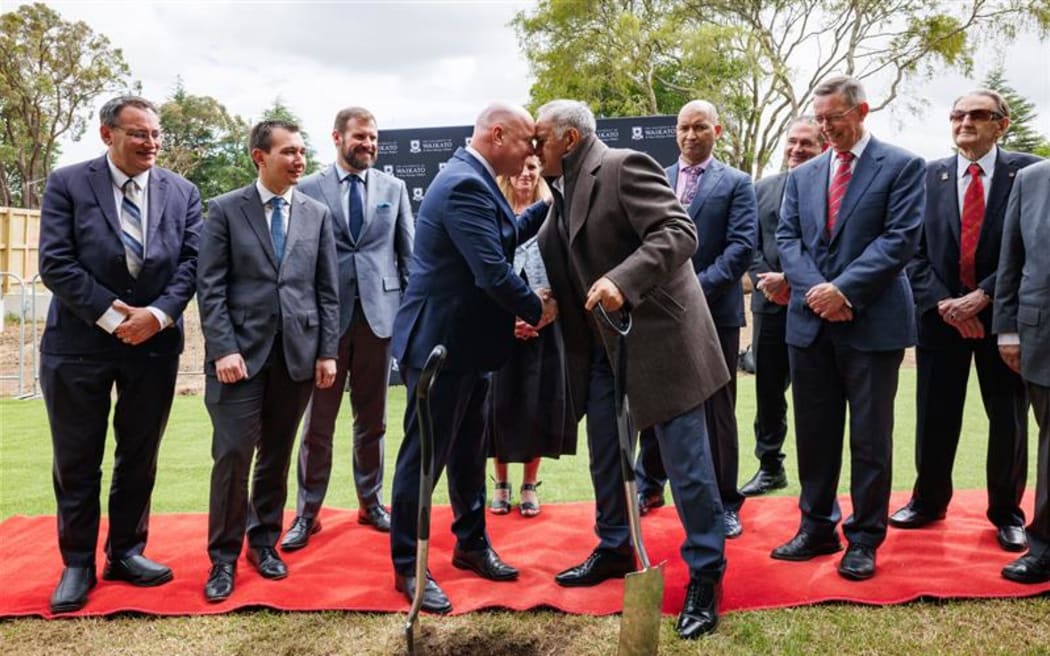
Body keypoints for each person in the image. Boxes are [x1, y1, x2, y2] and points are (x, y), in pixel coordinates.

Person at [535, 99, 730, 639]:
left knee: (686, 465)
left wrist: (623, 280)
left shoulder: (623, 165)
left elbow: (678, 231)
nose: (534, 148)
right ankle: (616, 545)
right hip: (601, 352)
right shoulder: (558, 189)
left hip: (662, 344)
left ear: (569, 140)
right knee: (606, 457)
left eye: (540, 139)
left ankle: (707, 573)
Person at [388, 102, 558, 614]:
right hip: (443, 348)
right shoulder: (465, 184)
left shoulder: (473, 179)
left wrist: (556, 202)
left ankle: (471, 545)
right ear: (498, 134)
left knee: (466, 456)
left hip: (469, 347)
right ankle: (408, 568)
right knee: (424, 461)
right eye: (526, 140)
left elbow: (504, 236)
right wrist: (537, 308)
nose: (532, 150)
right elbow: (490, 270)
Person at [37, 95, 201, 614]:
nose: (151, 143)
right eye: (139, 134)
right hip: (77, 345)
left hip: (153, 345)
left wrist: (155, 317)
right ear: (107, 134)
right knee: (77, 459)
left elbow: (193, 264)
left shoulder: (184, 191)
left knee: (139, 455)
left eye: (155, 134)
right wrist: (114, 317)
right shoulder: (67, 183)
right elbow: (55, 263)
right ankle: (78, 562)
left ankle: (127, 552)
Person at [772, 75, 924, 581]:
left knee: (869, 437)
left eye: (833, 118)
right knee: (814, 434)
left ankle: (864, 538)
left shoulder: (902, 166)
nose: (825, 127)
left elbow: (899, 240)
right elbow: (789, 238)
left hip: (873, 321)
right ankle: (815, 527)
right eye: (819, 119)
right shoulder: (805, 174)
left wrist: (845, 291)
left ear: (862, 111)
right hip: (810, 324)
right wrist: (819, 291)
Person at [197, 119, 340, 602]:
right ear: (260, 157)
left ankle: (264, 542)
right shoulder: (223, 210)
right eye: (288, 152)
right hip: (238, 358)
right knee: (234, 454)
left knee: (277, 454)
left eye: (302, 151)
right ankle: (222, 557)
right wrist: (223, 349)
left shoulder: (317, 213)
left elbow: (326, 290)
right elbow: (210, 288)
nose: (299, 160)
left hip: (297, 358)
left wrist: (326, 351)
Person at [892, 90, 1040, 552]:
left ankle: (1007, 513)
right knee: (935, 416)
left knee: (1007, 420)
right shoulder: (926, 175)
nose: (965, 123)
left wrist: (983, 298)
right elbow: (911, 252)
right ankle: (929, 501)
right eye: (958, 115)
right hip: (941, 321)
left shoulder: (1028, 173)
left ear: (1002, 123)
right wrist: (947, 305)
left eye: (978, 115)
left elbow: (1030, 248)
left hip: (1003, 320)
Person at [280, 107, 414, 550]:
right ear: (337, 137)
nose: (369, 145)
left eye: (373, 138)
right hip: (326, 325)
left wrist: (412, 320)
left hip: (379, 320)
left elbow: (407, 258)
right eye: (360, 137)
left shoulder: (394, 188)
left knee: (372, 421)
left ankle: (371, 502)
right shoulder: (309, 188)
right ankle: (308, 512)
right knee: (317, 424)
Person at [633, 100, 757, 539]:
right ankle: (648, 486)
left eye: (699, 127)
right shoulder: (657, 179)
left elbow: (742, 246)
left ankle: (725, 502)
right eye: (683, 127)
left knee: (717, 409)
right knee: (656, 401)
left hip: (713, 313)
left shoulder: (738, 183)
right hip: (657, 317)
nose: (690, 136)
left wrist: (695, 289)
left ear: (717, 131)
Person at [487, 155, 575, 518]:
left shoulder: (552, 213)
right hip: (498, 325)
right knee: (499, 405)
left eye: (533, 168)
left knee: (538, 404)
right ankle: (501, 482)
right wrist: (508, 319)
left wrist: (544, 313)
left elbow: (566, 265)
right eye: (520, 167)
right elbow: (486, 269)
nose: (526, 173)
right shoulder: (494, 210)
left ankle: (528, 485)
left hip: (545, 322)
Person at [742, 118, 825, 497]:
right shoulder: (761, 189)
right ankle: (770, 465)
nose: (796, 149)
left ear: (823, 147)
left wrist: (794, 285)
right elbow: (749, 244)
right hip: (770, 305)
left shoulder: (829, 190)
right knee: (769, 391)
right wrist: (770, 283)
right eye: (792, 142)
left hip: (817, 306)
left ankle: (818, 473)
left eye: (806, 143)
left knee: (815, 392)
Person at [993, 158, 1050, 584]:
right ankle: (1045, 548)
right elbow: (1010, 258)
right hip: (1042, 331)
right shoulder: (1032, 179)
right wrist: (1007, 329)